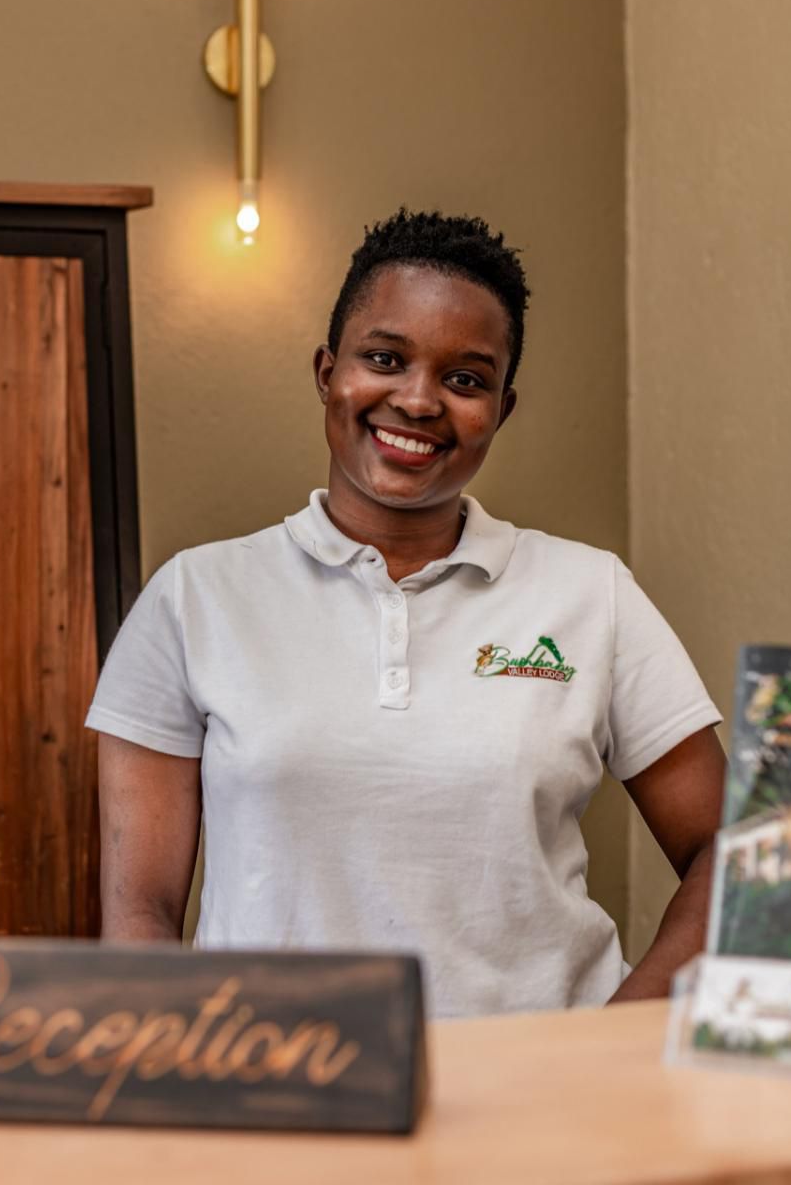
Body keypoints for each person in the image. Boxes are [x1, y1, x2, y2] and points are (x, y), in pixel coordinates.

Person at [87, 209, 726, 1018]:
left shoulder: (591, 593)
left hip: (541, 1106)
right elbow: (140, 909)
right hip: (280, 1093)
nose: (419, 400)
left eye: (465, 379)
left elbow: (732, 850)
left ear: (502, 406)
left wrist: (618, 1040)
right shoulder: (194, 597)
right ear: (327, 372)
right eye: (385, 359)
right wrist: (183, 1081)